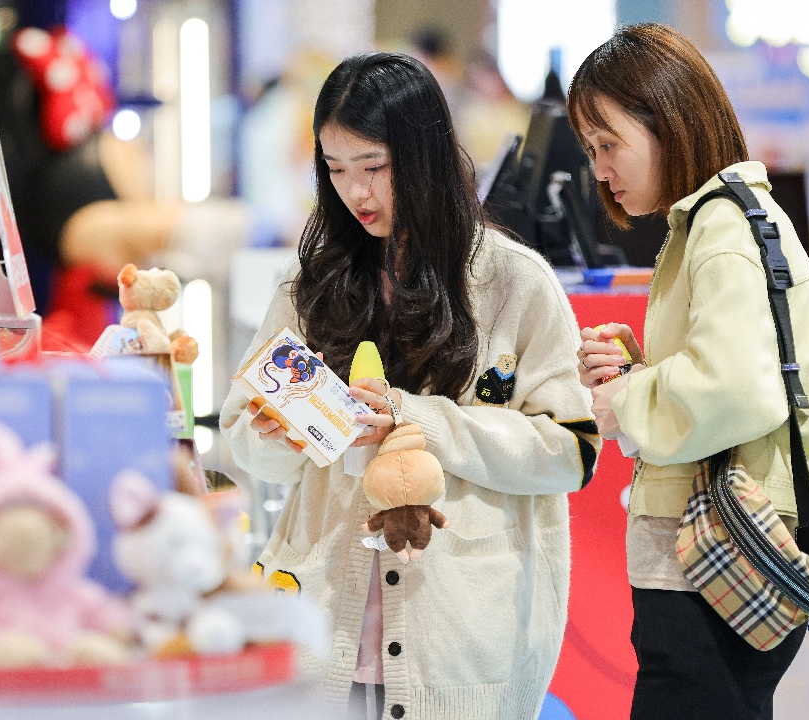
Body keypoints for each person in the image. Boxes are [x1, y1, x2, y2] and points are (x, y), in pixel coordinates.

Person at [220, 52, 599, 720]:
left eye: (374, 168)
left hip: (461, 637)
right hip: (323, 625)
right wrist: (279, 433)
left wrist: (418, 421)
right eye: (335, 171)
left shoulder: (513, 282)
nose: (356, 193)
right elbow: (242, 438)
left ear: (422, 156)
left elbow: (570, 450)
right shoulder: (311, 282)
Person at [567, 24, 809, 720]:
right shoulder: (717, 222)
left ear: (667, 121)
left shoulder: (722, 229)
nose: (600, 170)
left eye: (608, 145)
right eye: (589, 151)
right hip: (717, 552)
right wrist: (641, 372)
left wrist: (626, 399)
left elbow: (735, 390)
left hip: (711, 559)